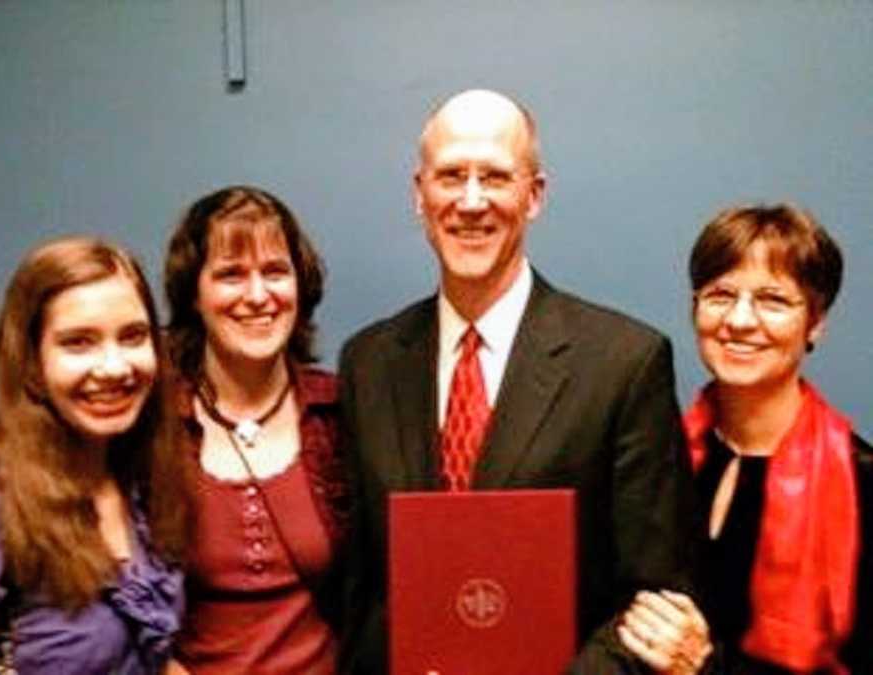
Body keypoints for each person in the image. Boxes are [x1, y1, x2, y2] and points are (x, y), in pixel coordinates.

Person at [338, 88, 701, 672]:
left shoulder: (624, 364)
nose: (472, 201)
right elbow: (362, 586)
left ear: (534, 196)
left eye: (497, 177)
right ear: (419, 194)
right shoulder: (369, 364)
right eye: (451, 175)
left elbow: (654, 601)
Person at [619, 204, 872, 672]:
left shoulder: (862, 484)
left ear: (815, 322)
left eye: (773, 300)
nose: (738, 320)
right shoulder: (651, 453)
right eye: (720, 295)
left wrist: (705, 666)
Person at [0, 237, 187, 674]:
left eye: (133, 336)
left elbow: (149, 656)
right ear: (31, 363)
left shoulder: (136, 485)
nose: (114, 367)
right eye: (78, 343)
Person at [164, 186, 347, 674]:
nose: (258, 295)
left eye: (275, 271)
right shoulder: (151, 428)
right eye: (230, 274)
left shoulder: (343, 416)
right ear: (194, 295)